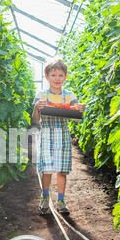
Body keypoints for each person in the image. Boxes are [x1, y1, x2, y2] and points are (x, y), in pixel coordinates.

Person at [32, 57, 85, 216]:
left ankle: (61, 200)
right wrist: (36, 108)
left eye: (60, 75)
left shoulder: (69, 95)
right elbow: (35, 119)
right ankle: (45, 196)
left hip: (63, 135)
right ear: (47, 76)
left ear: (65, 77)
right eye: (53, 75)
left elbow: (76, 117)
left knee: (62, 170)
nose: (57, 79)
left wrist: (80, 110)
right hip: (47, 134)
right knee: (47, 169)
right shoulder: (41, 95)